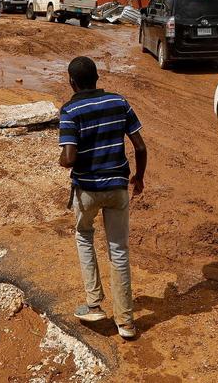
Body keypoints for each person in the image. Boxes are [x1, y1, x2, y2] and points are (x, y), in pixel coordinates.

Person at [58, 56, 146, 340]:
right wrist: (139, 177)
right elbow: (141, 147)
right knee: (118, 250)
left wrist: (61, 159)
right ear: (97, 77)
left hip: (87, 189)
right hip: (118, 187)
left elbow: (69, 158)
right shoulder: (119, 102)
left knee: (84, 235)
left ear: (72, 82)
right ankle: (127, 323)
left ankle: (94, 304)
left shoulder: (70, 110)